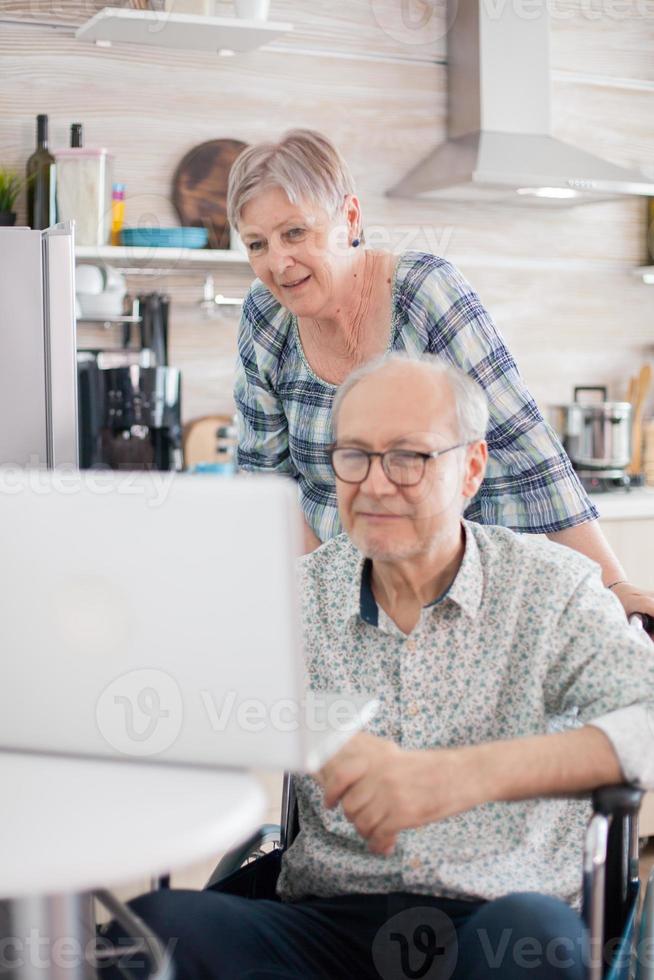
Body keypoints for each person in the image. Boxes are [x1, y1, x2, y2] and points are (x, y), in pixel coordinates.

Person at [102, 354, 654, 980]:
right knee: (153, 932)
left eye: (409, 457)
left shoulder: (550, 590)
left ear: (471, 469)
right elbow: (177, 698)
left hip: (498, 923)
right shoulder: (294, 597)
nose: (374, 484)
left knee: (533, 937)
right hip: (328, 921)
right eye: (354, 455)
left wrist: (454, 778)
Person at [228, 128, 654, 623]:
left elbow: (526, 446)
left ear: (349, 218)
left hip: (466, 587)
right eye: (257, 244)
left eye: (295, 232)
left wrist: (613, 585)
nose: (277, 262)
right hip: (345, 592)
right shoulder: (265, 316)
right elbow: (265, 479)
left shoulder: (425, 292)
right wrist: (324, 599)